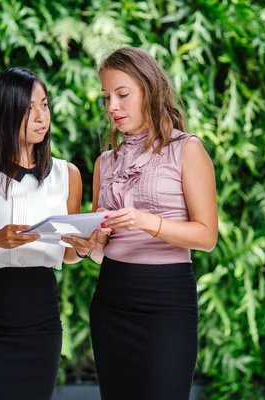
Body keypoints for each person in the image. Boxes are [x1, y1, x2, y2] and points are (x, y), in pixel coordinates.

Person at [0, 67, 97, 400]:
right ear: (5, 113)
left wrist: (83, 248)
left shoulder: (66, 175)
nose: (42, 116)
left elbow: (69, 254)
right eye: (30, 108)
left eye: (45, 105)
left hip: (41, 318)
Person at [88, 47, 219, 400]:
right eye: (106, 97)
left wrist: (146, 222)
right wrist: (92, 244)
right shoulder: (104, 162)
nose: (112, 106)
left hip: (166, 301)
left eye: (122, 94)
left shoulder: (187, 149)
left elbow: (207, 237)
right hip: (111, 297)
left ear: (150, 89)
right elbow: (101, 251)